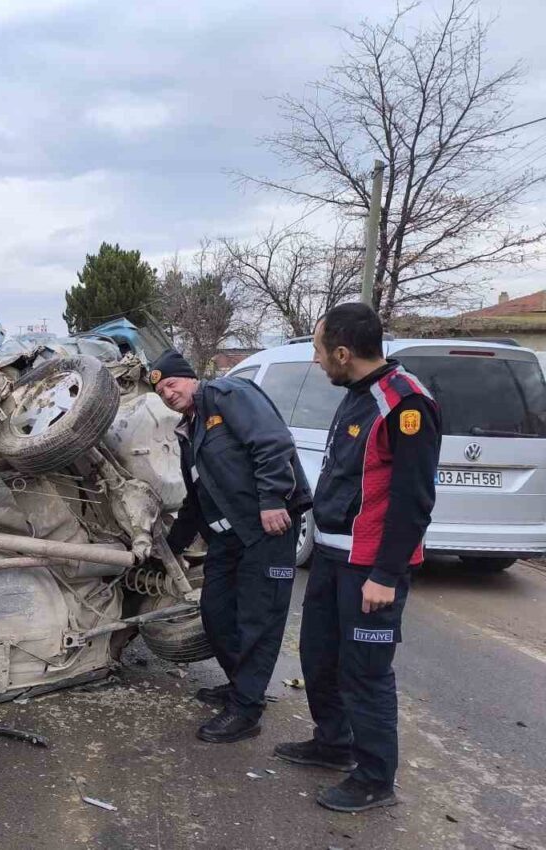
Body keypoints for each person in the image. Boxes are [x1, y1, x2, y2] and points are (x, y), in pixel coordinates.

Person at [273, 303, 441, 813]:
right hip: (330, 554)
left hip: (370, 568)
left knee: (365, 672)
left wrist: (386, 574)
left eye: (319, 350)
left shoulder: (405, 403)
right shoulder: (357, 394)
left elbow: (413, 500)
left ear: (343, 353)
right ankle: (333, 743)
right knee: (318, 656)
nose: (316, 359)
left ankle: (374, 778)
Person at [151, 349, 312, 744]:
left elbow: (272, 442)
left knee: (258, 618)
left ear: (190, 377)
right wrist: (169, 548)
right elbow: (195, 502)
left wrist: (272, 499)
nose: (168, 394)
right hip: (228, 536)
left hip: (267, 530)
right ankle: (241, 685)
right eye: (160, 392)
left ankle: (246, 709)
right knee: (216, 611)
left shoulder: (229, 395)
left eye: (171, 384)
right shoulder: (189, 431)